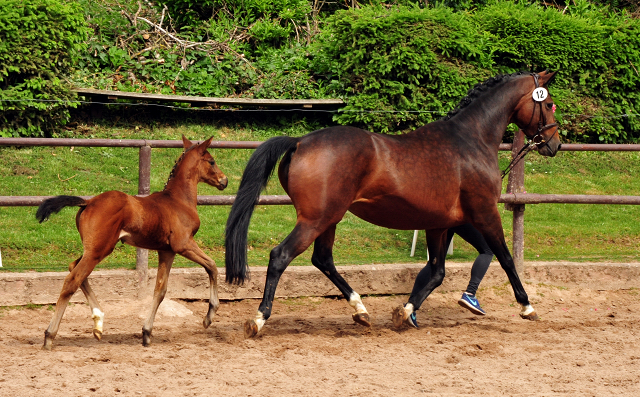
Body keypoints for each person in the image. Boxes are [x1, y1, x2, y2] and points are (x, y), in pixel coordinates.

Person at [410, 223, 493, 323]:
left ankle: (410, 308)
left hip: (440, 217)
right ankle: (470, 293)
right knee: (488, 250)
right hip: (456, 216)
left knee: (434, 263)